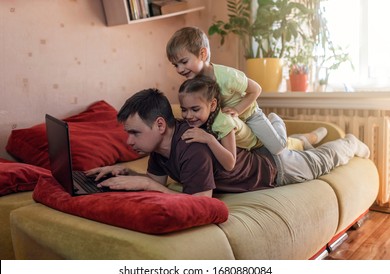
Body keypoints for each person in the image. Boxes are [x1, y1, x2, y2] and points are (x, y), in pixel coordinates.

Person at [86, 88, 370, 197]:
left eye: (134, 132)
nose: (128, 140)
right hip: (264, 157)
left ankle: (350, 142)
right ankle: (302, 139)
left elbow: (200, 202)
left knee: (323, 160)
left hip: (275, 170)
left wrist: (146, 184)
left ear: (160, 125)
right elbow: (158, 185)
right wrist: (126, 173)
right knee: (299, 147)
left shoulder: (192, 145)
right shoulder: (159, 150)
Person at [165, 26, 327, 155]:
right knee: (259, 150)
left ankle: (276, 121)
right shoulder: (194, 84)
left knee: (277, 148)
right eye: (175, 65)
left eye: (184, 62)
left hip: (250, 115)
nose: (180, 69)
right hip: (234, 123)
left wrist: (237, 109)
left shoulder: (227, 76)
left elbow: (256, 89)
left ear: (202, 53)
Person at [178, 75, 327, 171]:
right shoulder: (203, 118)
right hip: (253, 138)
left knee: (286, 145)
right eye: (184, 110)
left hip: (262, 147)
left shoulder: (223, 123)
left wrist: (208, 139)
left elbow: (230, 163)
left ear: (212, 105)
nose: (188, 116)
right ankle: (306, 138)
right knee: (294, 141)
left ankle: (278, 122)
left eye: (195, 109)